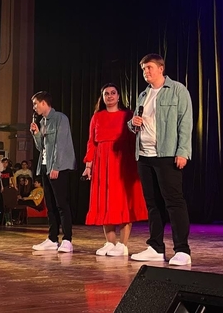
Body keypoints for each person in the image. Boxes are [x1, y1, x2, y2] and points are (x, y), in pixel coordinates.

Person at [128, 53, 193, 266]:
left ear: (161, 68)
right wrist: (133, 123)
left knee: (173, 202)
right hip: (144, 156)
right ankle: (156, 248)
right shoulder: (143, 94)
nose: (146, 72)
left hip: (166, 154)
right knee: (152, 203)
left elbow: (185, 123)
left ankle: (182, 250)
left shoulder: (177, 90)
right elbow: (135, 123)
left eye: (149, 67)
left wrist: (183, 151)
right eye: (143, 69)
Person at [81, 83, 148, 257]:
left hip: (123, 163)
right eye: (106, 94)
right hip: (102, 164)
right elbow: (91, 142)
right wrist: (88, 165)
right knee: (105, 202)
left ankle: (123, 245)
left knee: (123, 202)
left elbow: (136, 138)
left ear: (118, 96)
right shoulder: (97, 117)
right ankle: (110, 243)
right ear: (102, 97)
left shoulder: (128, 115)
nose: (110, 96)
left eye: (113, 93)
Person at [30, 91, 76, 253]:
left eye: (35, 104)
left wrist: (56, 167)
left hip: (58, 167)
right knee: (50, 206)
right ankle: (52, 238)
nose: (34, 107)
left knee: (61, 204)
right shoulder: (42, 122)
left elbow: (60, 145)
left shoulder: (60, 118)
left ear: (44, 103)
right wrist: (36, 134)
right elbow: (41, 148)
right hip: (44, 166)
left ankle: (67, 239)